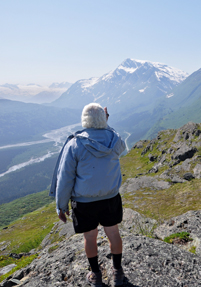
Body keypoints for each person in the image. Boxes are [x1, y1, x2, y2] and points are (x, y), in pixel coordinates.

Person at [49, 103, 126, 287]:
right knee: (113, 233)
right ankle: (117, 273)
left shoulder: (75, 144)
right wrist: (105, 123)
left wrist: (61, 205)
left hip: (85, 203)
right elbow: (121, 145)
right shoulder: (115, 139)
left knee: (89, 238)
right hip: (110, 198)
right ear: (104, 118)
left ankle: (96, 275)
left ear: (84, 120)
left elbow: (65, 177)